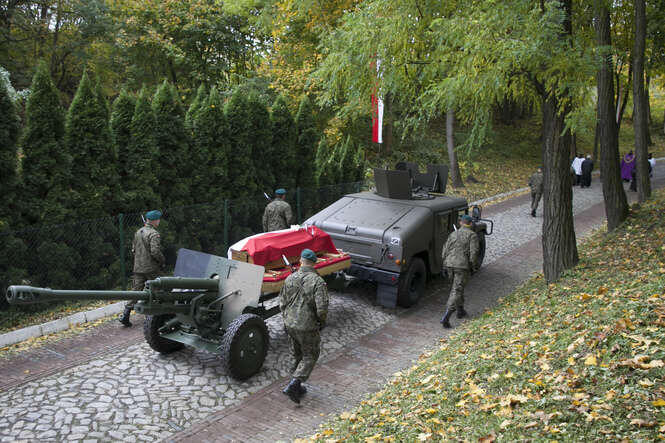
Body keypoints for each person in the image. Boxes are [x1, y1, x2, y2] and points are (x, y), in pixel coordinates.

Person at [279, 249, 329, 404]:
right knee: (310, 355)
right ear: (314, 263)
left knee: (297, 354)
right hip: (307, 326)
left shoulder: (290, 278)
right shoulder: (318, 282)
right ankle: (294, 384)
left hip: (290, 323)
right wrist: (321, 322)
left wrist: (287, 319)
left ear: (301, 261)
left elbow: (282, 303)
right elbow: (322, 309)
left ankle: (296, 385)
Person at [119, 210, 165, 327]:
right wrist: (162, 261)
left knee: (136, 291)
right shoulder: (154, 234)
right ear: (154, 220)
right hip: (151, 268)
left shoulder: (138, 232)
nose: (159, 221)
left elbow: (133, 250)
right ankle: (158, 317)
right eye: (158, 219)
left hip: (138, 267)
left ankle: (125, 315)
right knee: (160, 289)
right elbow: (155, 251)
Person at [440, 215, 479, 329]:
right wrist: (473, 266)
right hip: (461, 266)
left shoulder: (453, 234)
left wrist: (445, 264)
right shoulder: (472, 235)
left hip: (449, 264)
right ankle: (446, 316)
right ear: (470, 224)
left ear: (461, 223)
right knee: (457, 290)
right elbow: (474, 253)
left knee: (457, 287)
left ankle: (460, 310)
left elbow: (444, 250)